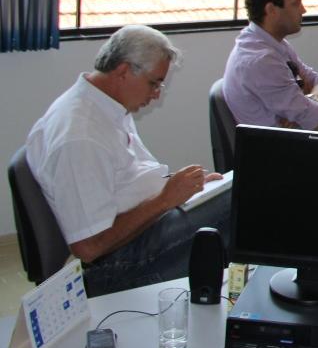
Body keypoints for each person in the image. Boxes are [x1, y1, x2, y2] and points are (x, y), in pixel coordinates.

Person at [25, 26, 229, 296]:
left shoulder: (104, 105)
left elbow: (130, 179)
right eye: (153, 83)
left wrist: (182, 188)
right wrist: (166, 199)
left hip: (145, 228)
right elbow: (89, 247)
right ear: (123, 71)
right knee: (240, 205)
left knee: (232, 192)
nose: (157, 93)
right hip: (114, 266)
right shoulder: (81, 137)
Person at [222, 0, 318, 130]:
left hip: (293, 144)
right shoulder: (262, 60)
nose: (303, 10)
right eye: (296, 4)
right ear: (271, 9)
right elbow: (316, 120)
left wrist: (311, 99)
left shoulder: (275, 44)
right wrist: (310, 104)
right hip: (281, 151)